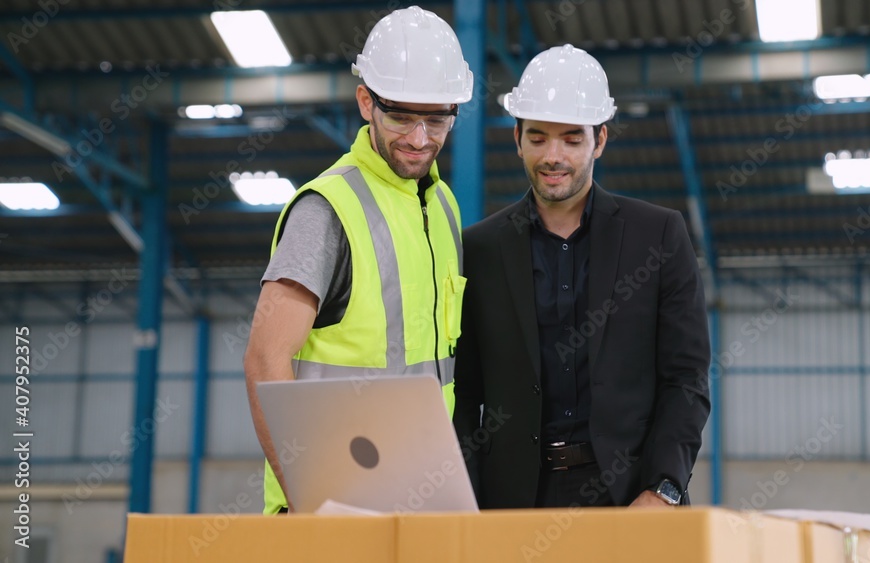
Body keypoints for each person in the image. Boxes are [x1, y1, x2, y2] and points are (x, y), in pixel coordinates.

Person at [453, 44, 710, 509]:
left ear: (600, 140)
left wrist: (663, 488)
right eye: (538, 138)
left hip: (632, 497)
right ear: (517, 139)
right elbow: (464, 393)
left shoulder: (658, 237)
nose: (554, 156)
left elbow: (686, 378)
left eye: (572, 139)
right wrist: (467, 498)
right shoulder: (480, 250)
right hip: (513, 502)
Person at [243, 6, 473, 515]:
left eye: (436, 118)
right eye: (401, 116)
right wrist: (308, 503)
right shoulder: (326, 210)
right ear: (366, 101)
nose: (419, 138)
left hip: (423, 503)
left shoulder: (443, 208)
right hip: (332, 509)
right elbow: (264, 359)